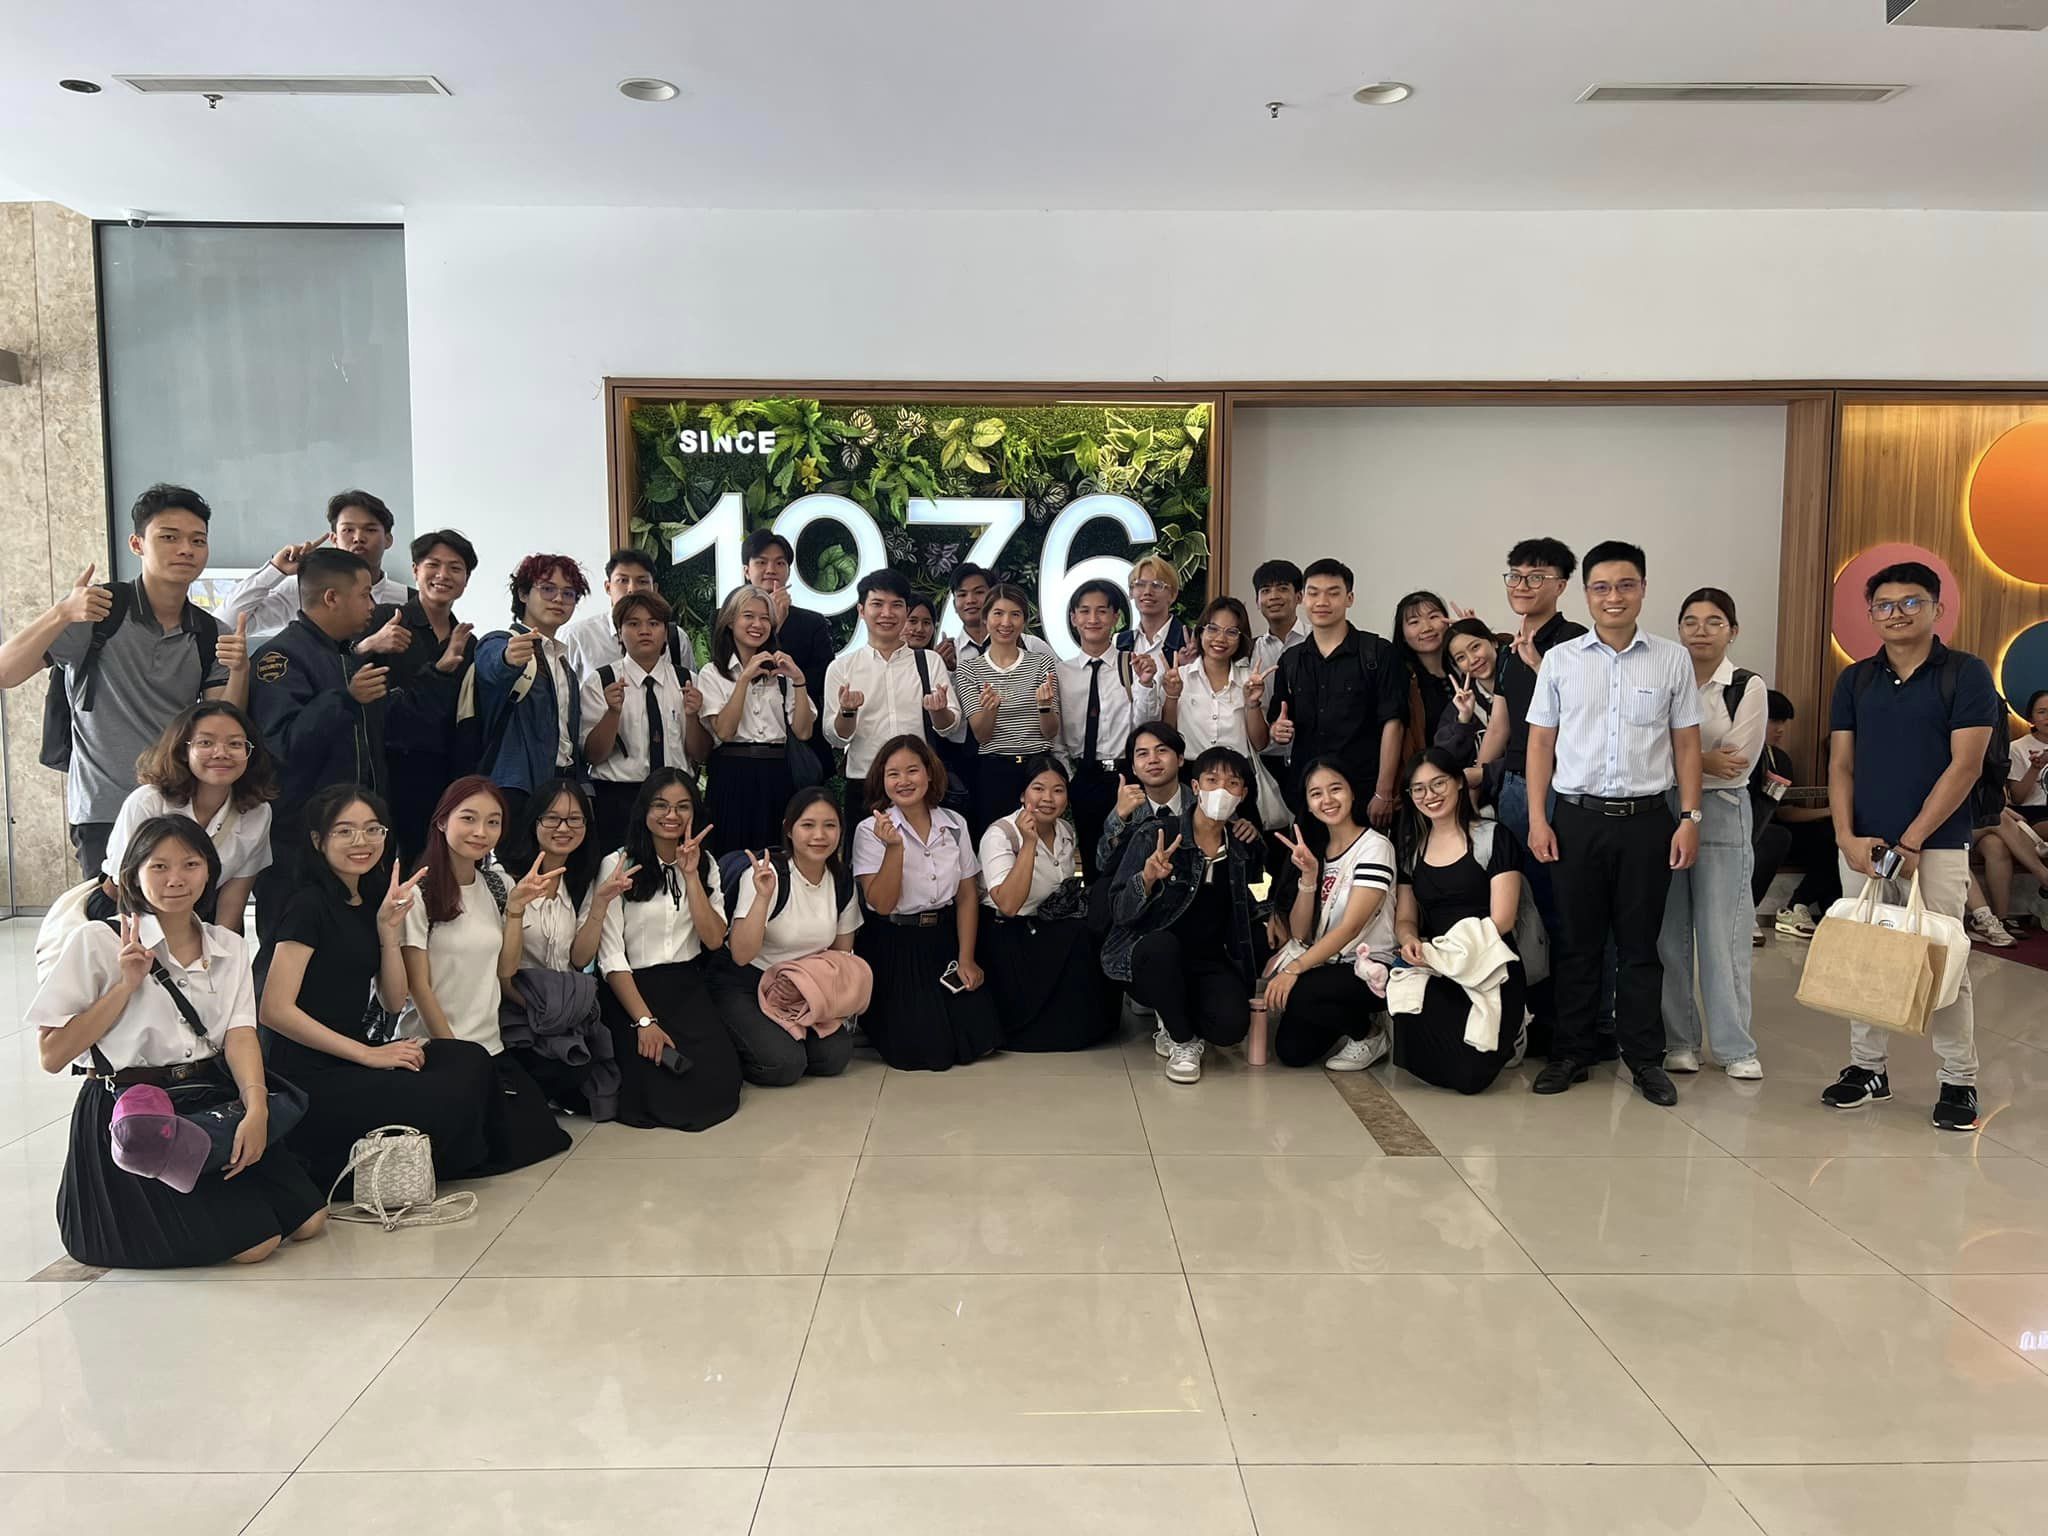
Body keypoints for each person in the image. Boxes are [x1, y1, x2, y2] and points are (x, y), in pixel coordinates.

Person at [31, 815, 327, 1269]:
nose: (176, 879)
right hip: (133, 1112)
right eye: (159, 867)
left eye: (190, 865)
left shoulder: (227, 945)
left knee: (310, 1221)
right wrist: (125, 985)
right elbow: (52, 1055)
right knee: (257, 1244)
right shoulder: (97, 940)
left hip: (207, 1099)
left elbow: (240, 1034)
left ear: (210, 873)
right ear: (133, 875)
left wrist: (256, 1108)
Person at [1821, 560, 1998, 1131]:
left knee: (1943, 958)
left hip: (1937, 844)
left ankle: (1958, 1078)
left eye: (1911, 602)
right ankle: (1867, 1068)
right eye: (1884, 605)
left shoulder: (1966, 674)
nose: (1896, 613)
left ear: (1937, 608)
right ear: (1871, 614)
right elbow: (1841, 764)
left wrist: (1914, 839)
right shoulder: (1855, 680)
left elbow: (1966, 765)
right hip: (1864, 844)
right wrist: (1845, 837)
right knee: (1865, 953)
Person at [1525, 539, 1702, 1107]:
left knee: (1641, 947)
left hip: (1648, 822)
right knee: (1577, 944)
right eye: (1601, 587)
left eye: (1626, 585)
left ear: (1643, 589)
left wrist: (1690, 817)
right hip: (1576, 820)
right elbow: (1540, 744)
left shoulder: (1671, 659)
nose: (1613, 597)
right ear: (1586, 594)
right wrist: (1538, 818)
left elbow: (1686, 744)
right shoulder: (1561, 660)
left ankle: (1645, 1059)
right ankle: (1572, 1053)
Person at [0, 484, 250, 881]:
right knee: (113, 919)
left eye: (197, 540)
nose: (185, 549)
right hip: (104, 810)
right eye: (169, 537)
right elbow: (6, 672)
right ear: (137, 544)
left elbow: (224, 723)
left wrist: (240, 669)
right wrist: (62, 613)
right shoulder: (97, 612)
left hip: (177, 808)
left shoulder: (209, 633)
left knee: (183, 917)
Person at [260, 784, 494, 1190]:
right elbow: (274, 1010)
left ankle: (439, 1160)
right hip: (303, 1074)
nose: (361, 841)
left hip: (351, 1055)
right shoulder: (307, 905)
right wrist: (368, 1055)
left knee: (468, 1058)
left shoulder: (370, 900)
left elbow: (394, 1000)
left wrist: (388, 931)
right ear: (317, 840)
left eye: (373, 829)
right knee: (442, 1093)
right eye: (345, 831)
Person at [400, 777, 572, 1170]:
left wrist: (515, 910)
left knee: (542, 1137)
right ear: (442, 821)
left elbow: (505, 970)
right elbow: (418, 987)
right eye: (469, 818)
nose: (481, 831)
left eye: (493, 822)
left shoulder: (498, 883)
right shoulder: (417, 893)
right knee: (467, 1155)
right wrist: (456, 1057)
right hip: (435, 1049)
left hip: (490, 1046)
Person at [248, 547, 390, 947]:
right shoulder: (280, 657)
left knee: (348, 950)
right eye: (365, 594)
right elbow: (282, 747)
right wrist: (345, 698)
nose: (372, 606)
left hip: (350, 835)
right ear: (331, 597)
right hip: (299, 841)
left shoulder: (345, 654)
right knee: (291, 948)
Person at [1102, 746, 1266, 1084]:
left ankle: (1176, 1011)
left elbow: (1251, 903)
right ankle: (1182, 1041)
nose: (1221, 790)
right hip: (1151, 958)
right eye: (1212, 780)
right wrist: (1147, 879)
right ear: (1195, 786)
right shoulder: (1157, 834)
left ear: (1243, 794)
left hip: (1208, 959)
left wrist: (1273, 915)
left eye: (1232, 783)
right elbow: (1119, 910)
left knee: (1230, 1028)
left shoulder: (1241, 845)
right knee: (1160, 948)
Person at [595, 769, 744, 1130]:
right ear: (644, 810)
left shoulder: (706, 864)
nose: (671, 815)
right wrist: (644, 1022)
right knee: (655, 1089)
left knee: (720, 1083)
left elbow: (713, 939)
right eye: (660, 805)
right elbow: (610, 954)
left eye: (682, 806)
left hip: (685, 985)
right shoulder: (618, 864)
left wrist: (690, 875)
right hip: (631, 989)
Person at [1657, 588, 1766, 1080]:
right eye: (1691, 621)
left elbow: (1736, 763)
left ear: (1733, 631)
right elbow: (1646, 751)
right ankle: (1679, 1041)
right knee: (1669, 935)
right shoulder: (1665, 680)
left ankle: (1735, 1047)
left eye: (1714, 622)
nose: (1701, 631)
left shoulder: (1746, 686)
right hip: (1664, 809)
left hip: (1722, 812)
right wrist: (1702, 758)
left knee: (1724, 934)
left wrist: (1682, 756)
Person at [851, 735, 999, 1071]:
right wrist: (894, 848)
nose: (903, 781)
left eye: (912, 770)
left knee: (979, 1039)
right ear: (881, 780)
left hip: (942, 939)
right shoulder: (870, 830)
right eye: (893, 774)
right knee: (925, 1052)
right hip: (896, 943)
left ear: (929, 773)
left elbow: (966, 896)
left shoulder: (955, 824)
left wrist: (966, 958)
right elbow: (882, 904)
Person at [1390, 749, 1528, 1095]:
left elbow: (1502, 920)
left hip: (1490, 964)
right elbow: (1405, 918)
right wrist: (1409, 940)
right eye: (1418, 789)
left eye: (1438, 783)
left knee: (1470, 1079)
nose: (1430, 795)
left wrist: (1454, 952)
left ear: (1458, 783)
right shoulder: (1411, 850)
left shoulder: (1493, 836)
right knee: (1415, 1043)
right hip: (1438, 965)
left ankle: (1515, 1027)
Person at [496, 778, 630, 1115]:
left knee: (597, 1072)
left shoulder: (581, 880)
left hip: (564, 1006)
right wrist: (516, 908)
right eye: (552, 818)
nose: (564, 828)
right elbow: (501, 972)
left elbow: (580, 958)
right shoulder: (504, 878)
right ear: (534, 821)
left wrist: (600, 904)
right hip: (516, 1007)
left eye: (574, 819)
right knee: (562, 1069)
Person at [713, 787, 864, 1084]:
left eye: (830, 825)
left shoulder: (842, 882)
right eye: (808, 825)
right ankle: (725, 1044)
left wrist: (810, 991)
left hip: (801, 987)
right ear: (789, 829)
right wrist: (762, 897)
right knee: (783, 1064)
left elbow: (840, 957)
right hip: (745, 981)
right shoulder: (767, 874)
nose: (819, 835)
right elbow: (741, 955)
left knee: (833, 1056)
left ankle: (776, 1037)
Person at [978, 755, 1119, 1052]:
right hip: (1010, 935)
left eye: (1058, 790)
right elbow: (1008, 905)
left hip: (1048, 926)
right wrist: (1029, 843)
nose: (1048, 799)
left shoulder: (1065, 831)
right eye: (1038, 789)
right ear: (1023, 794)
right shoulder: (1000, 834)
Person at [1264, 758, 1396, 1071]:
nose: (1327, 800)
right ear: (1308, 806)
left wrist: (1294, 969)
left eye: (1336, 789)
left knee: (1299, 991)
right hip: (1327, 966)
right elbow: (1300, 934)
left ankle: (1370, 1034)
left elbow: (1351, 927)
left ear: (1352, 792)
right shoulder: (1317, 851)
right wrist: (1309, 876)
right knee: (1291, 1052)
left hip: (1371, 967)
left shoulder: (1375, 846)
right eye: (1316, 794)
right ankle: (1348, 1016)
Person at [101, 701, 276, 933]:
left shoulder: (257, 812)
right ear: (183, 751)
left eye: (235, 744)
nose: (221, 753)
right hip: (127, 914)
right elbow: (126, 887)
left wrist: (221, 950)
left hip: (198, 916)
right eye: (205, 743)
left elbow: (233, 899)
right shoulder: (149, 801)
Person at [1266, 558, 1407, 831]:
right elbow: (1278, 721)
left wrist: (1384, 791)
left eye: (1333, 593)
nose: (1322, 602)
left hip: (1364, 793)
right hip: (1309, 795)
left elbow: (1394, 723)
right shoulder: (1291, 660)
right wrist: (1277, 730)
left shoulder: (1377, 653)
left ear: (1349, 598)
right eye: (1313, 593)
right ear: (1302, 598)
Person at [368, 529, 479, 863]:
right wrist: (370, 644)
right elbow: (350, 673)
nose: (443, 575)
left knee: (439, 863)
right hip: (389, 768)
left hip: (445, 773)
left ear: (466, 581)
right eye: (433, 565)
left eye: (455, 568)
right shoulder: (387, 619)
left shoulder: (469, 642)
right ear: (416, 570)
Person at [580, 590, 709, 852]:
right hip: (618, 798)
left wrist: (692, 716)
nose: (644, 631)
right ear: (619, 632)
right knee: (618, 869)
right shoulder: (601, 681)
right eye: (633, 623)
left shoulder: (687, 680)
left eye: (654, 623)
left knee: (679, 866)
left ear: (665, 632)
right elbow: (593, 755)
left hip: (676, 796)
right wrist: (612, 713)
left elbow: (701, 754)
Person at [695, 583, 817, 857]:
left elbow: (803, 731)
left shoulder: (782, 672)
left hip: (778, 773)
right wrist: (744, 679)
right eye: (748, 616)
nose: (757, 625)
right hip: (732, 773)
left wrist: (798, 680)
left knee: (777, 857)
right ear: (730, 621)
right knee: (730, 857)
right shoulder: (713, 673)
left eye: (765, 618)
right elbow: (724, 731)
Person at [473, 553, 591, 833]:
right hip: (516, 784)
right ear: (524, 594)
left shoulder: (563, 663)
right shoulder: (501, 641)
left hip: (561, 785)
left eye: (569, 593)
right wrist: (508, 659)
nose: (559, 599)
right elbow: (491, 665)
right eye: (548, 589)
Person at [824, 569, 966, 784]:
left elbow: (949, 727)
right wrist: (847, 712)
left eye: (896, 605)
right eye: (877, 604)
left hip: (918, 780)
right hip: (866, 779)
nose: (887, 613)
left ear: (906, 611)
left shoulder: (930, 661)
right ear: (861, 610)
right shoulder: (841, 668)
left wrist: (939, 711)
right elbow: (836, 738)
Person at [221, 489, 411, 637]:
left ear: (388, 540)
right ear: (334, 539)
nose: (358, 538)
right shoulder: (302, 590)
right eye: (348, 530)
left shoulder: (406, 599)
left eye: (370, 530)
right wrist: (275, 570)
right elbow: (226, 626)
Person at [1054, 579, 1144, 877]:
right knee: (1092, 863)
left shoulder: (1131, 665)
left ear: (1115, 617)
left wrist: (1146, 685)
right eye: (1084, 611)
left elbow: (1144, 723)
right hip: (1084, 778)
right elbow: (1056, 734)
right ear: (1073, 618)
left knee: (1130, 860)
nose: (1093, 619)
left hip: (1125, 776)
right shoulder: (1061, 672)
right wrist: (1070, 777)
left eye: (1102, 611)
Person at [955, 582, 1061, 834]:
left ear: (1024, 620)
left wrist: (1044, 707)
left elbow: (1050, 732)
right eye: (998, 613)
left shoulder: (1041, 663)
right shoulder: (969, 669)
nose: (1006, 622)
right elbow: (982, 735)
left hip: (1038, 769)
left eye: (1015, 614)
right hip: (995, 772)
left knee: (1040, 839)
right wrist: (990, 711)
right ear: (985, 618)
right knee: (998, 840)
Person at [1751, 691, 1843, 939]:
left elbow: (1785, 811)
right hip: (1747, 829)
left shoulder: (1779, 759)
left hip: (1776, 826)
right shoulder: (1739, 754)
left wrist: (1831, 812)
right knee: (1775, 837)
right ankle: (1746, 912)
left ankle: (1798, 905)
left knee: (1831, 835)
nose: (1780, 729)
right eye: (1774, 721)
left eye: (1783, 722)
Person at [1148, 596, 1274, 763]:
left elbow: (1259, 744)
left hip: (1237, 772)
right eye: (1213, 629)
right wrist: (1172, 696)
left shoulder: (1250, 681)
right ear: (1200, 633)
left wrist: (1252, 704)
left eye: (1231, 632)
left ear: (1241, 639)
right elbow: (1167, 739)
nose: (1220, 639)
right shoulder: (1178, 678)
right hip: (1190, 771)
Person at [742, 530, 837, 725]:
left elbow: (822, 682)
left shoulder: (813, 623)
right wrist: (773, 626)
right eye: (761, 562)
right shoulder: (727, 619)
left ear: (788, 571)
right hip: (745, 726)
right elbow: (730, 675)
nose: (771, 569)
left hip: (801, 730)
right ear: (747, 571)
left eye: (779, 563)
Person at [562, 547, 679, 677]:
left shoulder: (676, 638)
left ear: (654, 589)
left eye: (642, 581)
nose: (632, 589)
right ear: (608, 587)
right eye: (623, 580)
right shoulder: (577, 637)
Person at [935, 564, 1054, 669]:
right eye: (962, 595)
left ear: (993, 598)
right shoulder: (947, 654)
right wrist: (945, 668)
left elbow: (1058, 682)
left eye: (979, 592)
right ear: (954, 605)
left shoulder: (1031, 645)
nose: (970, 600)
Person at [1391, 590, 1460, 760]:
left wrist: (1472, 635)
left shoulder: (1465, 668)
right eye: (1414, 622)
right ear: (1402, 635)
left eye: (1433, 617)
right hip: (1428, 769)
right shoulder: (1401, 680)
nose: (1427, 628)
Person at [1438, 617, 1503, 775]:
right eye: (1461, 657)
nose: (1473, 660)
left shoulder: (1523, 685)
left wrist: (1484, 775)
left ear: (1493, 642)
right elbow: (1444, 762)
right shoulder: (1459, 704)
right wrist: (1463, 721)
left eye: (1475, 647)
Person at [1116, 554, 1193, 665]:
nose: (1147, 592)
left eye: (1157, 585)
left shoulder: (1190, 642)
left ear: (1173, 595)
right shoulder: (1120, 642)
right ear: (1131, 592)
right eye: (1140, 584)